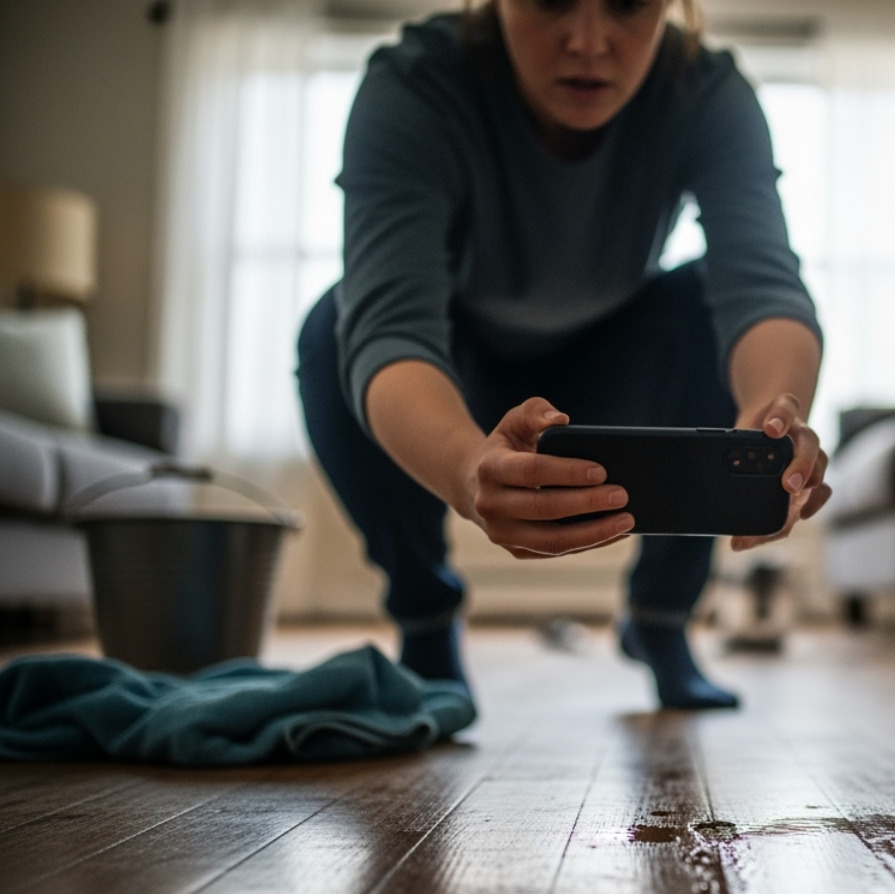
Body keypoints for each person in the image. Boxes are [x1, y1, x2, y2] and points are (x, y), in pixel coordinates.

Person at [296, 0, 830, 710]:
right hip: (458, 367)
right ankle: (424, 621)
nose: (588, 42)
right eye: (550, 0)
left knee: (702, 298)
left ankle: (661, 620)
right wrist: (463, 468)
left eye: (629, 4)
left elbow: (761, 286)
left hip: (616, 361)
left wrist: (775, 418)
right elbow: (389, 329)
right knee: (332, 327)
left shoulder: (708, 92)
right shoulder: (414, 85)